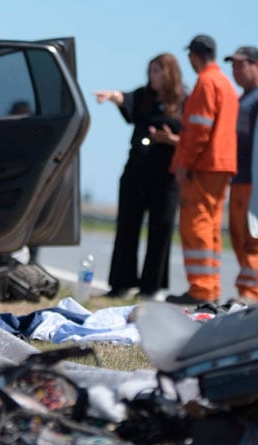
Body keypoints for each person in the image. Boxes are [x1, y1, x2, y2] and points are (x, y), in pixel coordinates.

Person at [94, 53, 185, 300]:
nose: (152, 76)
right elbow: (126, 99)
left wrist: (170, 139)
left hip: (165, 175)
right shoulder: (144, 95)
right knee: (127, 226)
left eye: (156, 71)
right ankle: (121, 283)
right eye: (150, 71)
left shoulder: (183, 101)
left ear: (168, 73)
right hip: (137, 169)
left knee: (161, 229)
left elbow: (194, 139)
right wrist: (112, 96)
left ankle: (151, 287)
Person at [166, 35, 239, 305]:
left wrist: (184, 162)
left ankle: (201, 289)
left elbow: (198, 129)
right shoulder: (225, 84)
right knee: (210, 227)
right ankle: (210, 286)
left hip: (204, 165)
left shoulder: (206, 83)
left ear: (194, 56)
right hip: (221, 165)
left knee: (196, 225)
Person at [224, 46, 258, 304]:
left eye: (240, 65)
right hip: (239, 176)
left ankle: (249, 292)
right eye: (232, 65)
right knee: (238, 236)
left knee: (255, 237)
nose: (235, 71)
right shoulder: (241, 98)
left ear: (257, 65)